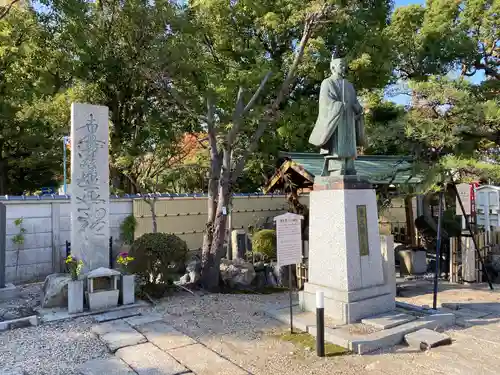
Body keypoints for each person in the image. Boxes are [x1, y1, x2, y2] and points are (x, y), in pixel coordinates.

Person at [308, 56, 365, 175]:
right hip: (335, 121)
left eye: (344, 65)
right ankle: (336, 168)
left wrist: (358, 108)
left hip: (348, 120)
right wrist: (339, 106)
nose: (344, 68)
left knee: (349, 144)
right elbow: (325, 102)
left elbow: (355, 101)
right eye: (341, 65)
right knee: (336, 146)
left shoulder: (349, 85)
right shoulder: (327, 83)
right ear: (333, 67)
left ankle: (349, 166)